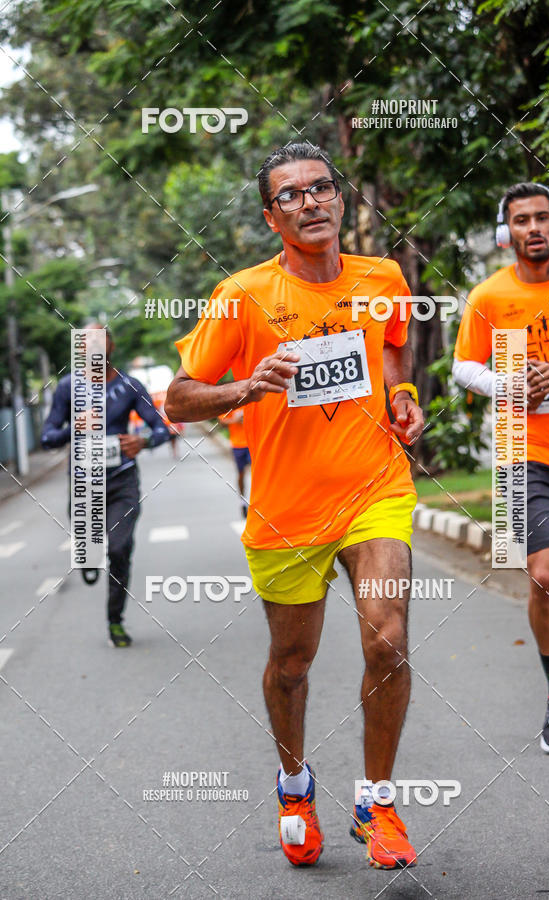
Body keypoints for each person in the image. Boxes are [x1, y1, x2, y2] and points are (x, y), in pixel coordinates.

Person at [165, 142, 425, 870]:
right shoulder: (242, 296)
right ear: (269, 215)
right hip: (285, 511)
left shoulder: (384, 277)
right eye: (291, 195)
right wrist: (246, 387)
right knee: (291, 662)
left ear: (340, 200)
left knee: (388, 637)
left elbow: (394, 350)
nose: (310, 202)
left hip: (375, 489)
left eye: (321, 189)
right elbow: (180, 399)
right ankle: (294, 784)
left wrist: (402, 397)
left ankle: (377, 803)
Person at [453, 183, 549, 753]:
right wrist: (507, 384)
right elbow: (465, 366)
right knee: (542, 575)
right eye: (521, 220)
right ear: (505, 232)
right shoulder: (490, 297)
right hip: (522, 454)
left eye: (542, 218)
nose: (533, 228)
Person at [41, 324, 171, 647]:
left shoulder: (129, 386)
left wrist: (141, 442)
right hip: (84, 484)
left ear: (111, 345)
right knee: (90, 550)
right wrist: (74, 427)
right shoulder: (68, 388)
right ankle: (87, 556)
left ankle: (115, 620)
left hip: (122, 480)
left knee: (120, 548)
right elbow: (46, 438)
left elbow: (162, 430)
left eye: (100, 339)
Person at [218, 409, 250, 516]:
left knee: (257, 472)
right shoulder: (231, 402)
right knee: (241, 474)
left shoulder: (252, 399)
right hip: (237, 444)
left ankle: (257, 501)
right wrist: (235, 420)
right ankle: (243, 501)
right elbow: (222, 422)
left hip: (253, 442)